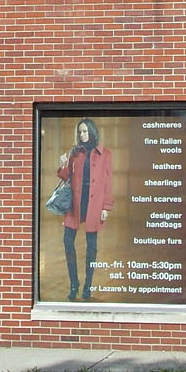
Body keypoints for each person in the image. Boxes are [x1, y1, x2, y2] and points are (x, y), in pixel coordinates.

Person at [55, 117, 114, 300]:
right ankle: (74, 284)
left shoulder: (106, 154)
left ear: (92, 131)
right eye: (80, 132)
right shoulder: (75, 152)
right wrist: (63, 162)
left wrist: (106, 206)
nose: (82, 135)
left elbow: (108, 182)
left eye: (85, 131)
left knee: (91, 247)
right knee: (67, 242)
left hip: (94, 204)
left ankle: (88, 285)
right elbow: (65, 176)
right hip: (75, 203)